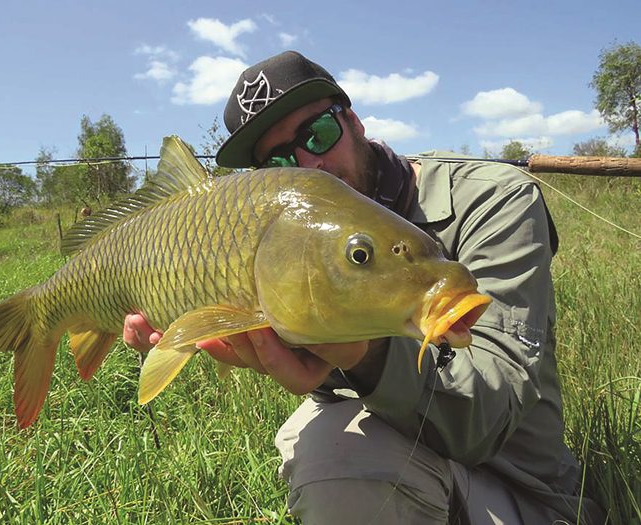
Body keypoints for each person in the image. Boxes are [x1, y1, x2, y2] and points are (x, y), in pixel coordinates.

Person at [124, 51, 603, 524]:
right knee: (331, 446)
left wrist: (361, 354)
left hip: (517, 492)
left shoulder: (497, 197)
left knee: (342, 460)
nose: (310, 164)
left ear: (352, 120)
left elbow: (491, 415)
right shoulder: (285, 238)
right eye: (280, 160)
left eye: (319, 134)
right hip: (395, 461)